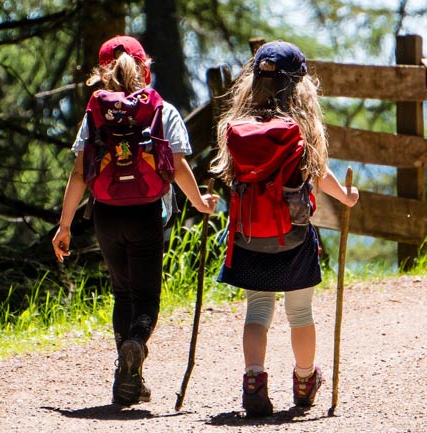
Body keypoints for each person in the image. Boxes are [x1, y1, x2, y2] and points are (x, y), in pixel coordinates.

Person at [51, 35, 219, 406]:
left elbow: (80, 173)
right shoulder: (161, 109)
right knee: (147, 297)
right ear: (145, 69)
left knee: (122, 292)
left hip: (107, 214)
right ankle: (135, 344)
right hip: (147, 213)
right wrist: (201, 203)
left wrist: (64, 226)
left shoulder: (94, 114)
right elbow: (176, 167)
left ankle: (127, 376)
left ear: (101, 72)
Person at [210, 40, 359, 417]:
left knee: (257, 311)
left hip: (247, 238)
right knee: (300, 313)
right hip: (291, 238)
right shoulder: (300, 128)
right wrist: (345, 197)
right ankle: (306, 380)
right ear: (300, 85)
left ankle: (254, 379)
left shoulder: (235, 127)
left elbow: (229, 177)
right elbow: (318, 174)